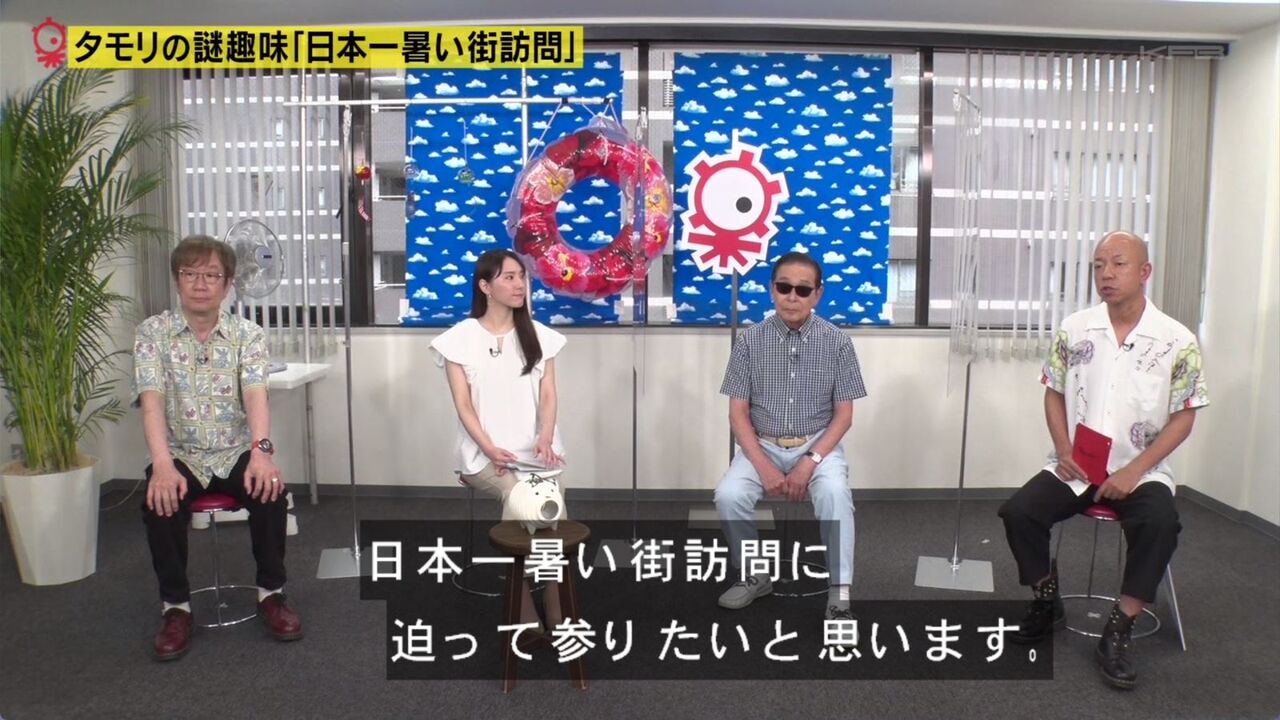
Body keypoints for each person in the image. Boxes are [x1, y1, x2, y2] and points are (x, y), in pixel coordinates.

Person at [998, 230, 1209, 690]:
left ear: (1145, 271)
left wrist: (1134, 470)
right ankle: (1047, 600)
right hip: (1079, 465)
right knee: (1019, 512)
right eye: (1098, 265)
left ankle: (1119, 626)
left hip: (1142, 470)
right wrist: (1064, 450)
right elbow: (1053, 392)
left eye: (1118, 264)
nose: (1106, 274)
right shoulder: (1075, 328)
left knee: (1159, 523)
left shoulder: (1178, 340)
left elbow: (1184, 416)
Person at [133, 235, 302, 661]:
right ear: (177, 280)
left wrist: (262, 453)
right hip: (180, 453)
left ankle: (272, 594)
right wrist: (161, 464)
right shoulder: (152, 333)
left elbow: (256, 395)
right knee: (159, 502)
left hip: (233, 450)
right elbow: (151, 401)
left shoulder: (248, 334)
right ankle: (175, 607)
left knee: (271, 492)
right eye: (190, 273)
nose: (200, 283)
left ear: (228, 285)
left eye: (211, 275)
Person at [714, 251, 868, 622]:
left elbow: (844, 416)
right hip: (762, 444)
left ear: (818, 294)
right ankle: (755, 575)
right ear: (772, 290)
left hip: (818, 445)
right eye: (784, 287)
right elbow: (737, 413)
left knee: (835, 496)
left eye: (803, 289)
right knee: (728, 496)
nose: (792, 297)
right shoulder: (749, 341)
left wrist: (809, 462)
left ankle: (839, 596)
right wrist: (764, 466)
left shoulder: (838, 342)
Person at [431, 249, 568, 638]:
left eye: (521, 276)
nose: (519, 284)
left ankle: (555, 604)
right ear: (485, 286)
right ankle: (522, 605)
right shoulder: (459, 339)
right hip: (484, 454)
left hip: (537, 452)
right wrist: (490, 449)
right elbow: (463, 406)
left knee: (551, 508)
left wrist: (545, 435)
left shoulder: (540, 336)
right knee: (519, 498)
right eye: (509, 277)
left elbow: (548, 395)